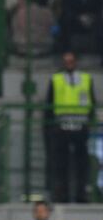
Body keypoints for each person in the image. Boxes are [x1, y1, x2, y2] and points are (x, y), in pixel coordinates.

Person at [44, 52, 96, 203]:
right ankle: (61, 195)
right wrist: (50, 127)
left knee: (81, 163)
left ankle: (81, 195)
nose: (69, 63)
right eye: (66, 61)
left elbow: (91, 102)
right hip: (62, 126)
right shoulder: (56, 79)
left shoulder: (86, 79)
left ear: (76, 62)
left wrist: (89, 121)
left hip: (80, 126)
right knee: (61, 163)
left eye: (71, 60)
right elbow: (49, 104)